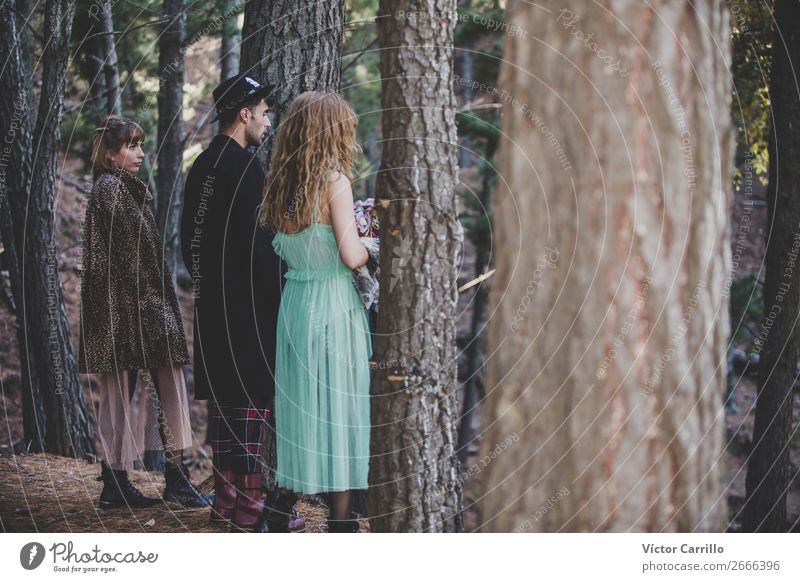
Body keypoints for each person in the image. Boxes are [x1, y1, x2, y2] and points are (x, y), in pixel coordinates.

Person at [182, 74, 294, 532]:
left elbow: (188, 242)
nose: (268, 122)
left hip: (213, 311)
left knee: (229, 407)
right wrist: (281, 298)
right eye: (265, 112)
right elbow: (262, 248)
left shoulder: (202, 165)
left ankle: (226, 498)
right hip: (248, 312)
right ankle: (249, 506)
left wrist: (211, 288)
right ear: (244, 113)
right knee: (249, 406)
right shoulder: (247, 169)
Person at [79, 115, 209, 510]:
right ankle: (150, 480)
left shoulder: (120, 190)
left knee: (136, 390)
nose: (140, 153)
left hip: (129, 311)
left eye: (140, 144)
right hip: (130, 312)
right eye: (131, 146)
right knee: (146, 388)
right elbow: (131, 261)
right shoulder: (112, 192)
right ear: (109, 154)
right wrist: (157, 313)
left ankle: (146, 479)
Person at [260, 91, 372, 533]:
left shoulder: (280, 182)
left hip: (296, 304)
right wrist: (372, 241)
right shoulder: (335, 182)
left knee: (302, 410)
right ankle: (341, 525)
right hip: (332, 304)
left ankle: (275, 510)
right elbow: (350, 255)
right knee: (340, 411)